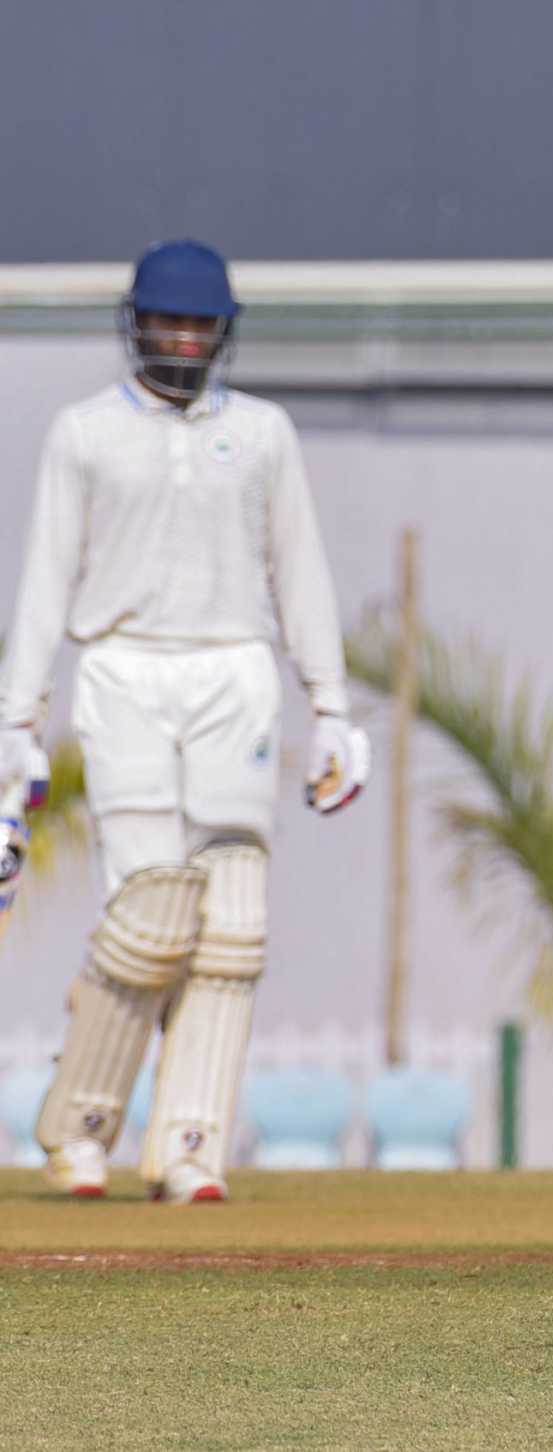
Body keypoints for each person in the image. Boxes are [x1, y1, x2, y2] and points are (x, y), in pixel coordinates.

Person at [0, 239, 369, 1204]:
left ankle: (190, 1145)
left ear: (223, 333)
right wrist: (14, 723)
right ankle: (81, 1131)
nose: (184, 337)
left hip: (234, 674)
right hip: (122, 672)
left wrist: (331, 708)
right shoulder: (84, 433)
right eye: (169, 320)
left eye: (200, 323)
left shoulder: (262, 434)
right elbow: (44, 579)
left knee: (232, 919)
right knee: (150, 914)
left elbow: (301, 570)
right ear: (137, 323)